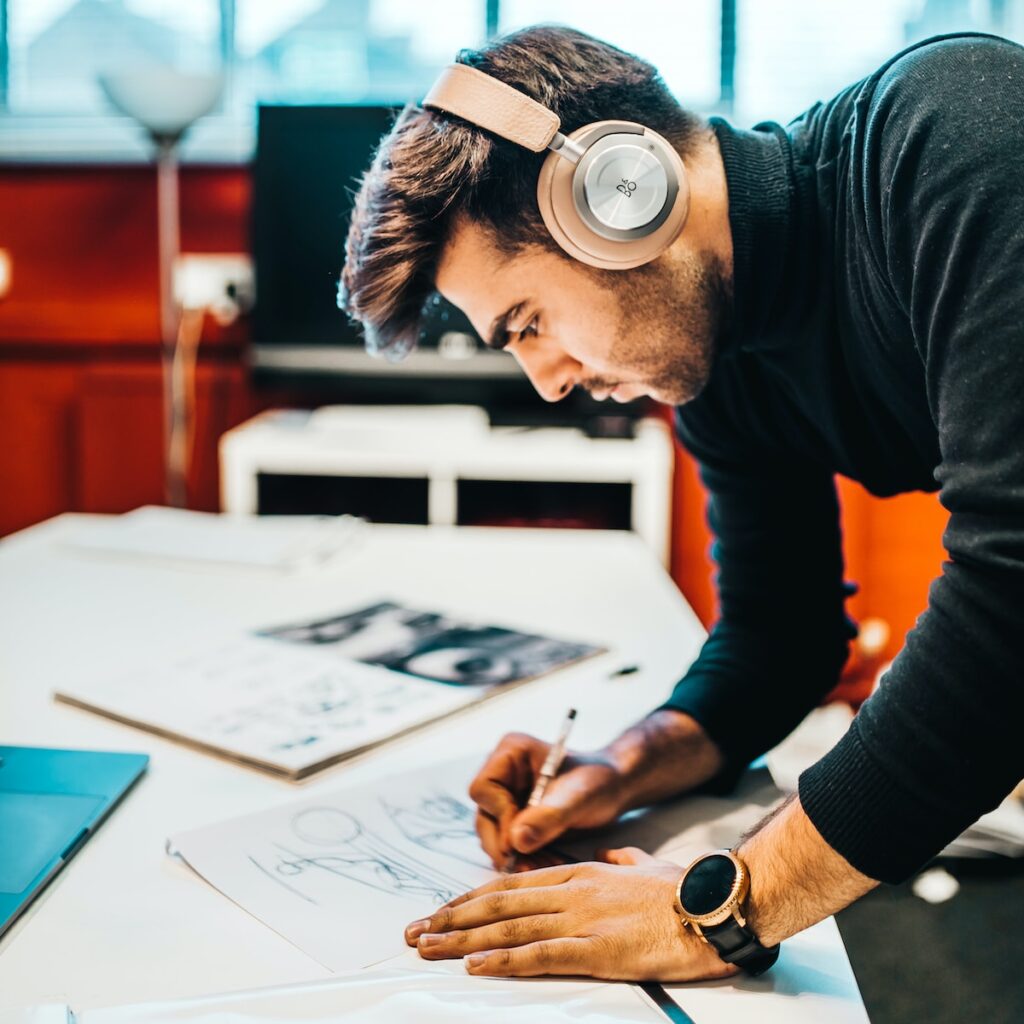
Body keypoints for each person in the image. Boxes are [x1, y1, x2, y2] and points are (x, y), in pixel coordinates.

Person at [338, 25, 1024, 982]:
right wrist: (618, 767)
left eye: (527, 321)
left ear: (616, 196)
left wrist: (713, 909)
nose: (543, 381)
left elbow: (1013, 594)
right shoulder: (714, 356)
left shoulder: (956, 129)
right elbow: (778, 645)